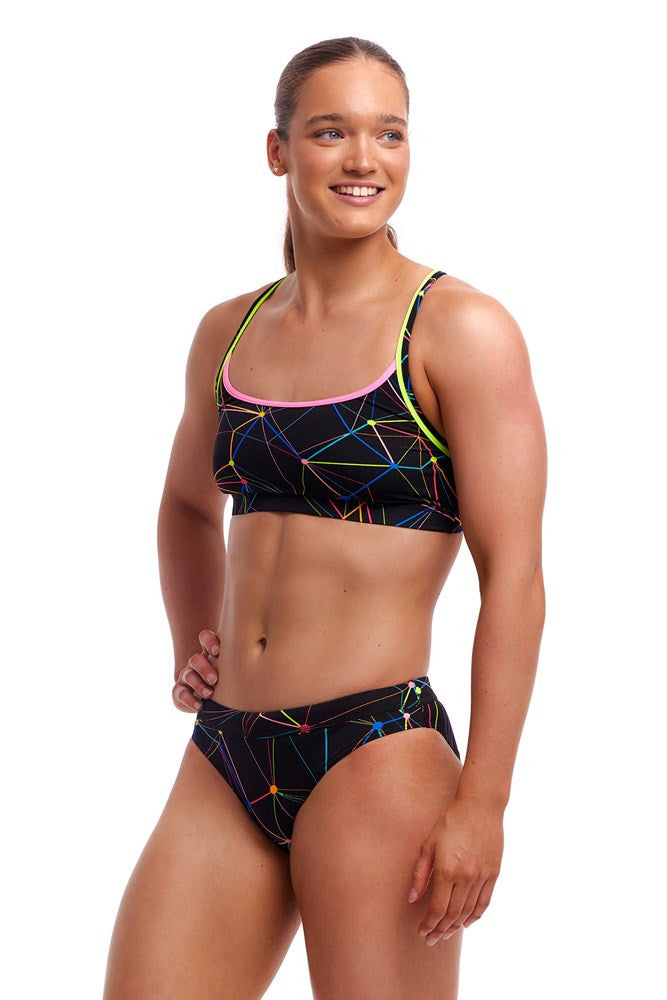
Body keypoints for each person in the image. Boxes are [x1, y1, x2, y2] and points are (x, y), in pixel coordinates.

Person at [103, 35, 547, 1000]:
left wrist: (484, 803)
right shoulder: (229, 330)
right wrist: (193, 639)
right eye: (330, 131)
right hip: (226, 751)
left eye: (389, 133)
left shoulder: (457, 329)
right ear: (278, 151)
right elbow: (185, 505)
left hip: (375, 751)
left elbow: (513, 578)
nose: (363, 158)